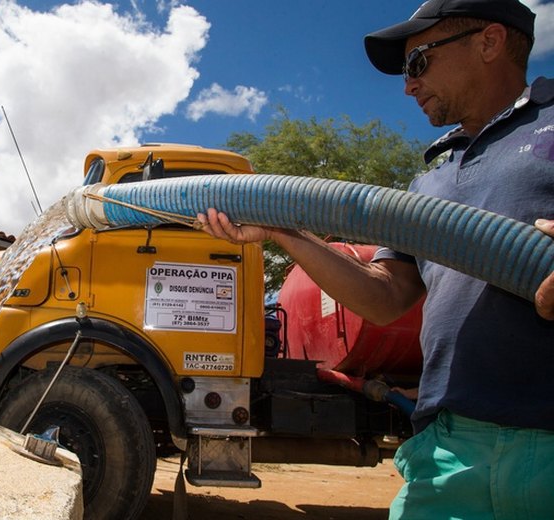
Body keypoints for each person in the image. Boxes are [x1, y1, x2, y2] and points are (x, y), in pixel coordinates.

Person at [198, 0, 554, 518]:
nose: (408, 86)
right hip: (448, 450)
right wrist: (284, 231)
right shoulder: (431, 180)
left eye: (418, 63)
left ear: (489, 42)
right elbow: (386, 296)